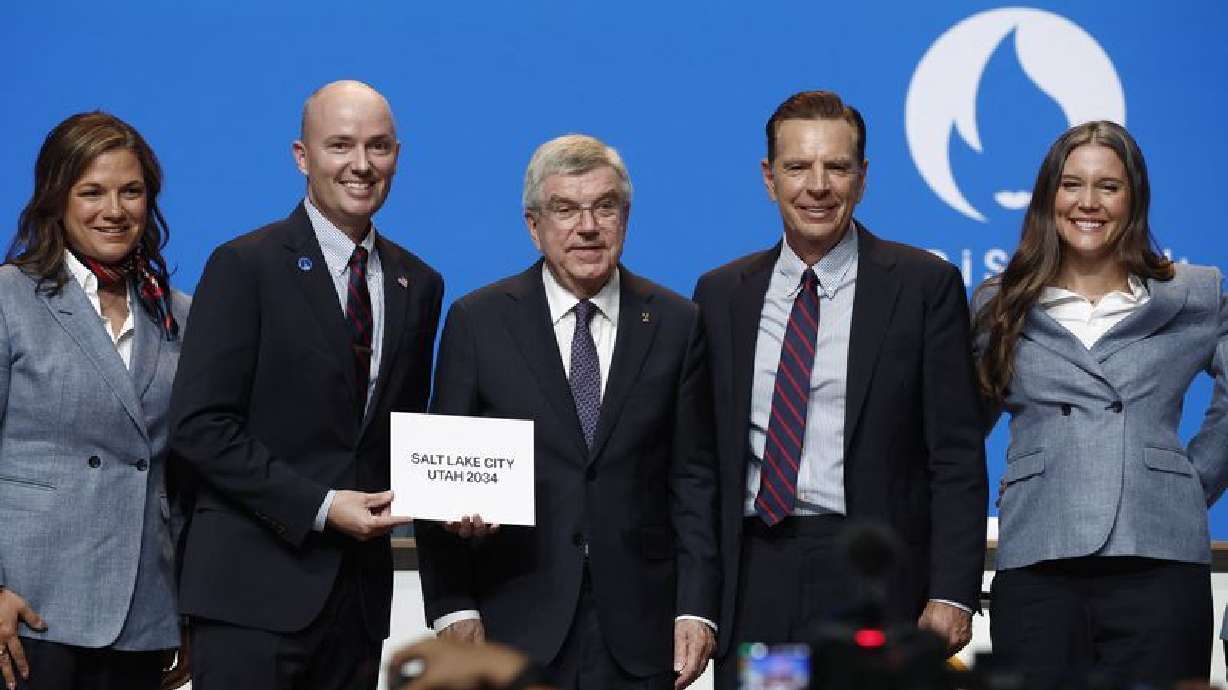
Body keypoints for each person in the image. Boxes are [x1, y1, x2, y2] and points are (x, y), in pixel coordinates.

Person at [691, 90, 987, 689]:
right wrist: (695, 602)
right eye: (798, 167)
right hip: (758, 578)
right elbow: (698, 462)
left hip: (874, 576)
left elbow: (956, 453)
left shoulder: (923, 286)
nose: (818, 186)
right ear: (769, 178)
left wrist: (952, 590)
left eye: (837, 167)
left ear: (863, 177)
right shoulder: (721, 294)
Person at [416, 134, 720, 690]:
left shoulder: (677, 323)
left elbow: (694, 479)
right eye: (565, 209)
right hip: (512, 626)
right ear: (534, 226)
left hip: (641, 632)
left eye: (604, 207)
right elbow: (438, 481)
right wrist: (453, 606)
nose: (587, 227)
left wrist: (696, 608)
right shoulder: (478, 322)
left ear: (625, 218)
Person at [169, 80, 443, 690]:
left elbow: (399, 435)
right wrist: (320, 506)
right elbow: (199, 426)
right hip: (251, 596)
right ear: (302, 156)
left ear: (397, 156)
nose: (361, 164)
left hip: (359, 604)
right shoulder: (244, 265)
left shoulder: (419, 283)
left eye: (378, 146)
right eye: (340, 145)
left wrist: (459, 501)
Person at [972, 120, 1228, 686]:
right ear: (1049, 197)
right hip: (1039, 555)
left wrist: (1189, 481)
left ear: (1134, 199)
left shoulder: (1194, 294)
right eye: (1072, 185)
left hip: (1159, 553)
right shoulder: (1000, 304)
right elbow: (959, 435)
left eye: (1108, 187)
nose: (1088, 202)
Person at [0, 111, 191, 690]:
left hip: (144, 609)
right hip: (28, 608)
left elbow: (188, 472)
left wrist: (187, 608)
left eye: (131, 191)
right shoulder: (9, 298)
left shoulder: (178, 313)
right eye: (92, 192)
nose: (114, 210)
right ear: (56, 199)